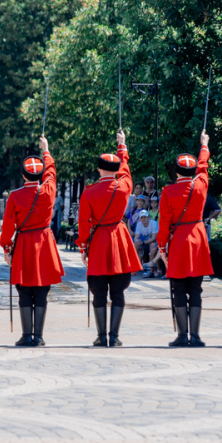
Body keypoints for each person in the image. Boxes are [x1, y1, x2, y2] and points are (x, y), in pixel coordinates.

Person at [77, 130, 142, 347]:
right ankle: (114, 337)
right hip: (119, 237)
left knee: (98, 290)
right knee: (118, 291)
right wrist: (122, 146)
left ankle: (100, 335)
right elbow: (126, 172)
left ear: (98, 168)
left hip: (99, 240)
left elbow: (84, 224)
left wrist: (83, 248)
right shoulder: (124, 186)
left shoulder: (89, 192)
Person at [0, 136, 63, 347]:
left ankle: (27, 335)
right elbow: (51, 171)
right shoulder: (49, 190)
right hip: (44, 242)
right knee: (42, 290)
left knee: (24, 290)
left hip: (25, 242)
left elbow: (7, 228)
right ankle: (40, 336)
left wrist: (7, 249)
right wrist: (46, 150)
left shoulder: (15, 196)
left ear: (23, 174)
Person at [158, 131, 213, 347]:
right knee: (196, 289)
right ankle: (196, 336)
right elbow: (203, 165)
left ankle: (182, 336)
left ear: (176, 171)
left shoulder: (169, 191)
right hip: (198, 236)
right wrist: (204, 145)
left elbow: (164, 225)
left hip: (179, 239)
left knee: (178, 288)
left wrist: (162, 249)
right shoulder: (201, 184)